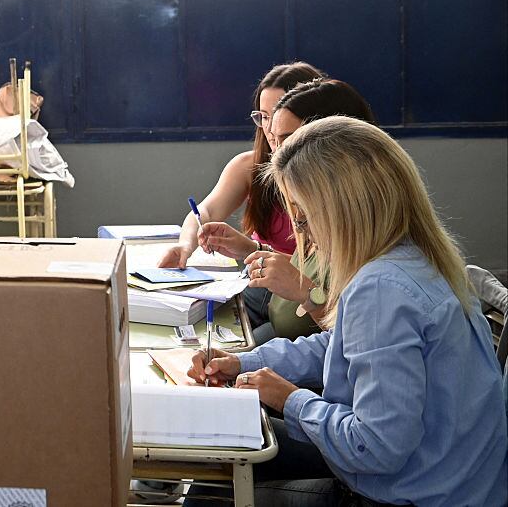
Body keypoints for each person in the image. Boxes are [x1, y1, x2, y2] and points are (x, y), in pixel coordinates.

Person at [187, 116, 508, 506]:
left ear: (344, 211)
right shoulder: (421, 258)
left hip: (409, 495)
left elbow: (375, 447)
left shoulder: (380, 288)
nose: (305, 241)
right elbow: (339, 344)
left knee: (215, 484)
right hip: (456, 483)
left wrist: (289, 399)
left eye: (304, 222)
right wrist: (245, 362)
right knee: (236, 441)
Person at [197, 79, 377, 342]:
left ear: (335, 149)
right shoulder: (319, 209)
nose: (278, 157)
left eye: (290, 143)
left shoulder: (369, 239)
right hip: (288, 335)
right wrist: (244, 364)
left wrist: (307, 293)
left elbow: (349, 346)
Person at [159, 62, 324, 336]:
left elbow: (320, 275)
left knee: (243, 351)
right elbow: (204, 212)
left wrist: (251, 249)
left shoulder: (327, 183)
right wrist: (185, 247)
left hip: (298, 304)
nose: (271, 130)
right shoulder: (251, 166)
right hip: (261, 285)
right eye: (264, 117)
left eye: (279, 117)